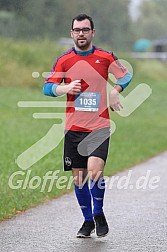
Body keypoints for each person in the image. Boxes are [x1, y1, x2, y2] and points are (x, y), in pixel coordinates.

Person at [43, 14, 132, 238]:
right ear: (71, 33)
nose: (81, 33)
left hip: (99, 126)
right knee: (79, 178)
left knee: (95, 171)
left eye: (85, 29)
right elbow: (47, 87)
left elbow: (125, 75)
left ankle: (99, 213)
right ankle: (87, 221)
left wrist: (115, 91)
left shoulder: (105, 57)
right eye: (77, 30)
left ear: (93, 32)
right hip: (74, 129)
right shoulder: (64, 60)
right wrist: (64, 89)